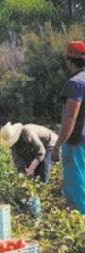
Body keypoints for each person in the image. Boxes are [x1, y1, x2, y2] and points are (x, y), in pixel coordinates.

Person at [51, 40, 85, 213]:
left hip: (77, 141)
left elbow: (70, 117)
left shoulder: (75, 83)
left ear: (69, 61)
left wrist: (58, 145)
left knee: (76, 188)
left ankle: (80, 230)